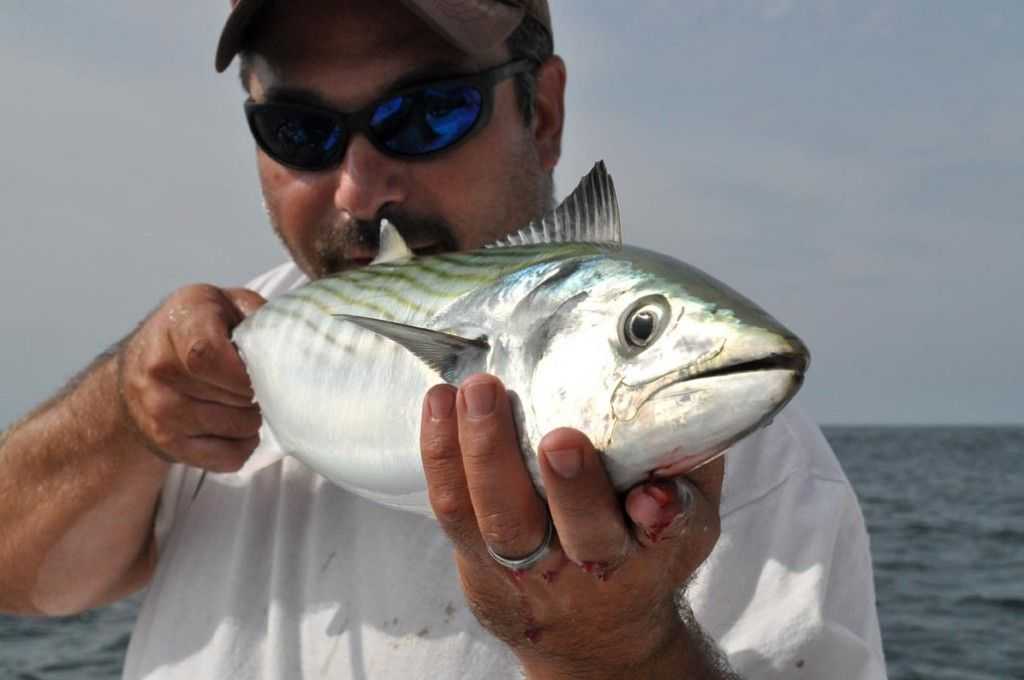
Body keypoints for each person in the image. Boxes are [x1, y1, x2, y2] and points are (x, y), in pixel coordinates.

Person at [0, 1, 887, 678]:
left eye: (426, 114)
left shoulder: (757, 475)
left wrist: (613, 651)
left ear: (540, 114)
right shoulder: (232, 353)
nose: (359, 188)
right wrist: (121, 412)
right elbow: (20, 581)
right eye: (299, 130)